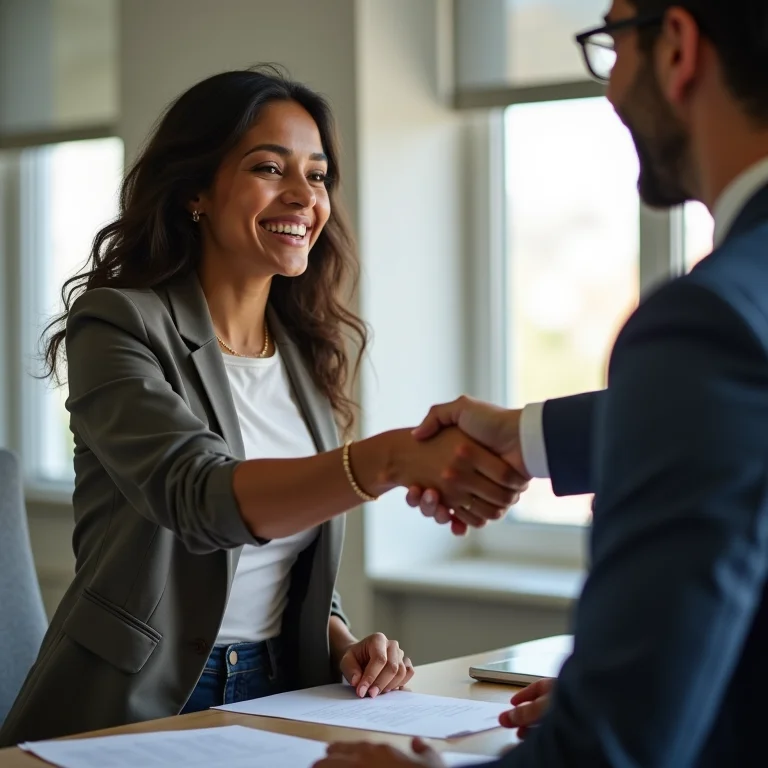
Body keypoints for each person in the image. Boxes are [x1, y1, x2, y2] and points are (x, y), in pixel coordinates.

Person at [0, 67, 528, 747]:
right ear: (194, 190)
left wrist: (339, 641)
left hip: (283, 685)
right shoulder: (116, 324)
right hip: (138, 699)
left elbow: (281, 556)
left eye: (318, 175)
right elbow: (199, 497)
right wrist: (389, 459)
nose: (303, 195)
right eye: (269, 168)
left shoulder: (304, 348)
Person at [314, 0, 768, 765]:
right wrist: (529, 438)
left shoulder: (708, 321)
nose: (610, 88)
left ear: (677, 48)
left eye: (612, 43)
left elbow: (613, 749)